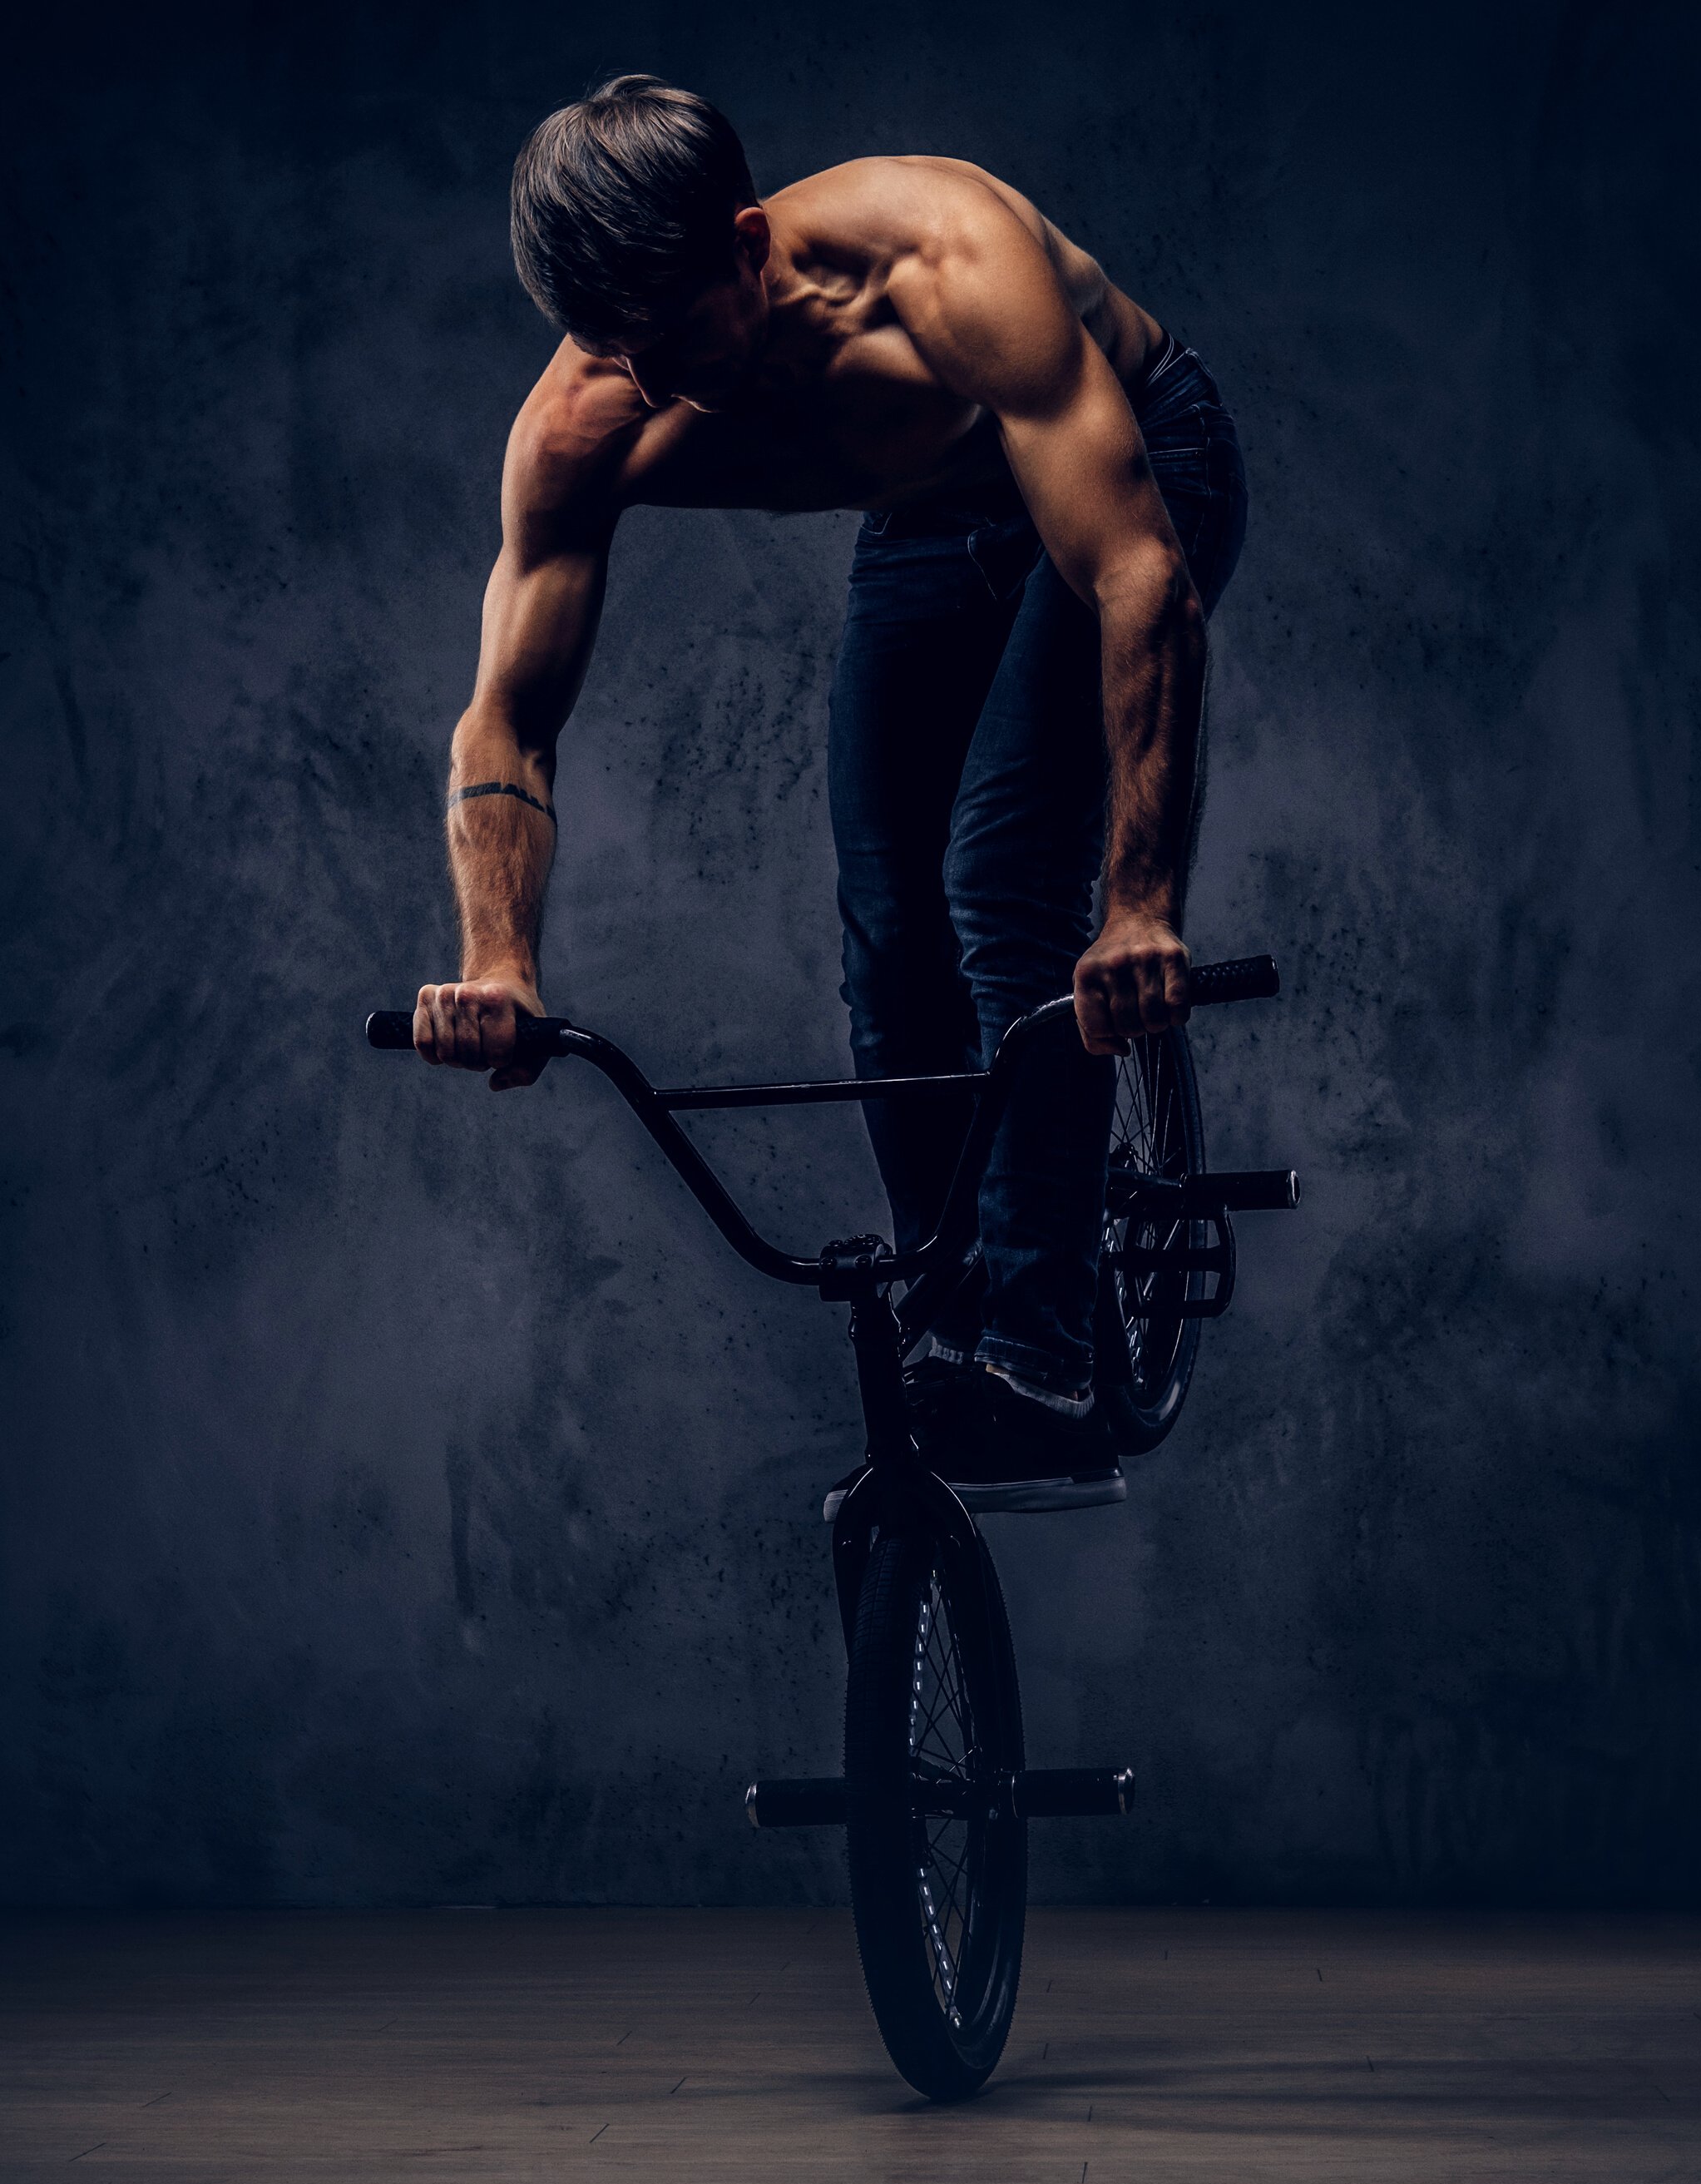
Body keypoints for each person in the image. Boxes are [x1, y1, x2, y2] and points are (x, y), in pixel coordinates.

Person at [413, 75, 1248, 1511]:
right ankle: (953, 1318)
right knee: (884, 905)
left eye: (676, 336)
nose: (655, 383)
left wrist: (1139, 908)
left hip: (1132, 472)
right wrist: (498, 958)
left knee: (998, 877)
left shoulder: (947, 263)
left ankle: (1044, 1363)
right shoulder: (586, 415)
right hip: (928, 515)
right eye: (619, 350)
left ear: (748, 245)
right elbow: (507, 717)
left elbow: (1135, 578)